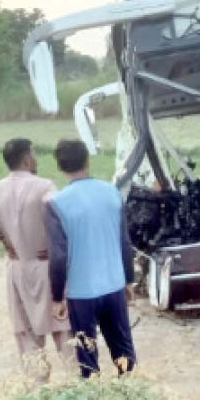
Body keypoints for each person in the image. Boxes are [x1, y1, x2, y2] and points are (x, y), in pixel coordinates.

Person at [0, 138, 70, 372]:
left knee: (27, 336)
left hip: (17, 266)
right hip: (46, 266)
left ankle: (35, 392)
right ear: (28, 159)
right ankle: (78, 388)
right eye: (34, 155)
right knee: (64, 330)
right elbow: (62, 215)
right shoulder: (44, 186)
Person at [45, 139, 137, 378]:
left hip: (81, 294)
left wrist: (57, 297)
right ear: (87, 160)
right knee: (123, 351)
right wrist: (128, 280)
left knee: (87, 357)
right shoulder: (111, 192)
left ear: (60, 167)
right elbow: (125, 242)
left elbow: (58, 257)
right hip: (114, 285)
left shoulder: (56, 204)